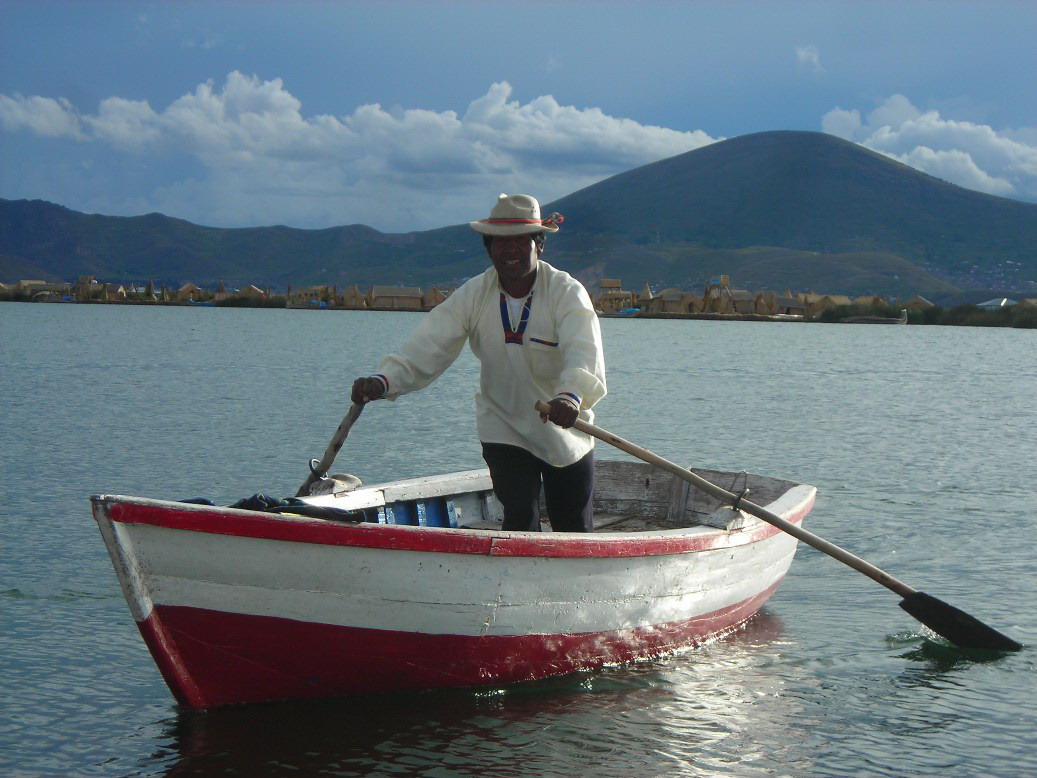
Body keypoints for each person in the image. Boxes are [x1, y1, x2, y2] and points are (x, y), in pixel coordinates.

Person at [352, 193, 606, 532]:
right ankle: (516, 582)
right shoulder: (474, 294)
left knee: (574, 528)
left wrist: (570, 395)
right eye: (500, 243)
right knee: (519, 517)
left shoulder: (565, 292)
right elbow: (428, 346)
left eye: (520, 241)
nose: (509, 250)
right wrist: (383, 380)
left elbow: (583, 351)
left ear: (539, 245)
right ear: (489, 248)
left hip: (565, 431)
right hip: (504, 425)